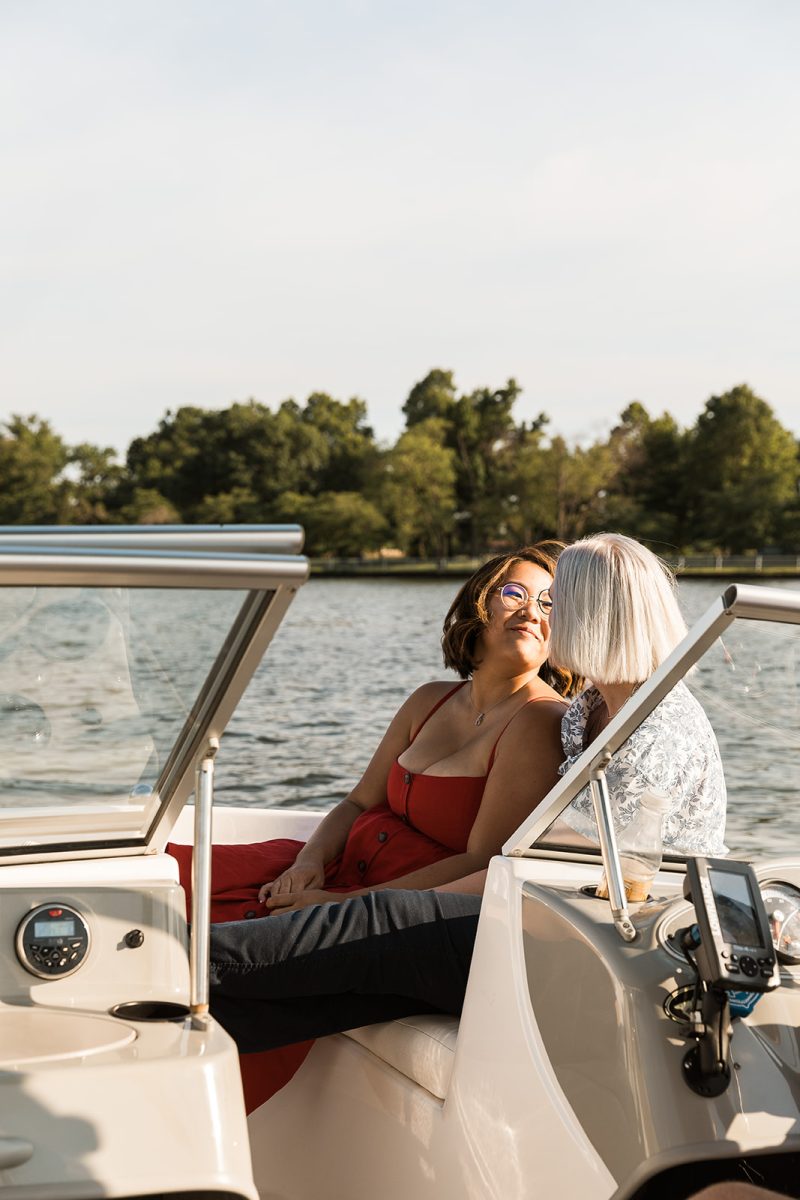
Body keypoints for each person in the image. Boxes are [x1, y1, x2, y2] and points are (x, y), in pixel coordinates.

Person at [209, 533, 727, 1065]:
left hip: (608, 946)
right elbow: (534, 857)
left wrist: (372, 903)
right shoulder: (590, 708)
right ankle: (176, 1014)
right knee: (311, 998)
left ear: (596, 615)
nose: (543, 614)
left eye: (557, 601)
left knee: (381, 918)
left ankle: (181, 963)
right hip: (544, 919)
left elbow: (554, 865)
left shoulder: (658, 727)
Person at [179, 542, 574, 1107]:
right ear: (479, 604)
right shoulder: (429, 700)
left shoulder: (539, 720)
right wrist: (307, 863)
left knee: (222, 950)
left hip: (393, 905)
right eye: (515, 593)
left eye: (550, 602)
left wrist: (340, 904)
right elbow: (357, 801)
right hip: (335, 867)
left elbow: (482, 861)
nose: (532, 610)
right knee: (177, 872)